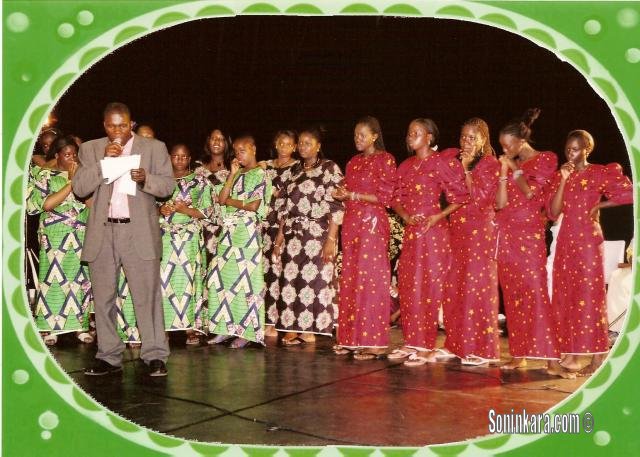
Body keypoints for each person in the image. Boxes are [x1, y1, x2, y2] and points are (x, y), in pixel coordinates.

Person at [72, 102, 174, 377]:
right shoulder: (91, 149)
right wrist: (104, 163)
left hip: (137, 232)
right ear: (104, 125)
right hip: (103, 233)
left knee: (147, 297)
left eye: (122, 124)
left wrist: (146, 179)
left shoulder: (154, 148)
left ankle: (154, 355)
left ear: (131, 122)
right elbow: (79, 187)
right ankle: (108, 356)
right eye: (111, 125)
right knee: (103, 298)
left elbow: (168, 186)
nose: (117, 130)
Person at [548, 129, 633, 376]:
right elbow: (553, 212)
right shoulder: (562, 175)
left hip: (588, 240)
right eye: (567, 149)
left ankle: (599, 357)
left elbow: (629, 192)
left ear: (587, 149)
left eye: (575, 149)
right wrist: (563, 180)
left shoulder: (599, 172)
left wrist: (600, 204)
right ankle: (573, 353)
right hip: (567, 240)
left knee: (590, 296)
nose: (570, 154)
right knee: (568, 295)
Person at [495, 109, 569, 376]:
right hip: (505, 235)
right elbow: (499, 203)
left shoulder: (545, 159)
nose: (504, 149)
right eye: (502, 145)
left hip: (528, 234)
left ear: (521, 141)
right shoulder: (507, 164)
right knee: (512, 295)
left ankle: (551, 359)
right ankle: (519, 354)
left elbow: (533, 195)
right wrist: (504, 172)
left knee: (535, 293)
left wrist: (514, 170)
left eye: (507, 145)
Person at [390, 118, 468, 366]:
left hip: (434, 233)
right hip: (413, 232)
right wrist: (405, 217)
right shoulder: (405, 165)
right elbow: (394, 198)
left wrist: (438, 216)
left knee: (429, 288)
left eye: (416, 132)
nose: (410, 136)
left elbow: (460, 196)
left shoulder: (441, 162)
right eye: (409, 132)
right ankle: (412, 341)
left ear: (430, 138)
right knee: (409, 284)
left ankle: (426, 346)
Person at [272, 127, 344, 345]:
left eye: (308, 143)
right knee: (291, 281)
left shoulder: (329, 168)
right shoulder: (294, 171)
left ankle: (310, 329)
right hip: (293, 236)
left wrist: (331, 240)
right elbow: (285, 208)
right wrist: (279, 240)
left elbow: (337, 206)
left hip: (317, 235)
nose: (303, 146)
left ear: (318, 146)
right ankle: (292, 327)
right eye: (301, 143)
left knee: (314, 281)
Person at [333, 116, 397, 360]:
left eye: (362, 135)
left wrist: (354, 195)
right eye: (355, 135)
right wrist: (341, 194)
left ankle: (375, 342)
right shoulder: (352, 162)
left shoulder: (385, 159)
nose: (357, 139)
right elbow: (347, 191)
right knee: (351, 278)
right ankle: (350, 338)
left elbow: (386, 197)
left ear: (374, 136)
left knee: (371, 281)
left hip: (372, 224)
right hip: (351, 224)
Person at [440, 118, 501, 366]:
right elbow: (448, 195)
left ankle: (483, 350)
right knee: (455, 286)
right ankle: (456, 344)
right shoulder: (455, 162)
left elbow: (480, 199)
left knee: (477, 289)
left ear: (483, 140)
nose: (466, 142)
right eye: (463, 137)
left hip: (479, 232)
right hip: (457, 230)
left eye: (472, 138)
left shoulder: (490, 164)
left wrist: (465, 169)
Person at [26, 135, 93, 345]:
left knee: (79, 280)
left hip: (80, 233)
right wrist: (72, 183)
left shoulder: (84, 175)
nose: (72, 158)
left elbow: (91, 204)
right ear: (57, 156)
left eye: (74, 154)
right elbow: (46, 205)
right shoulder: (45, 175)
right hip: (54, 235)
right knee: (54, 278)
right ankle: (50, 329)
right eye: (67, 154)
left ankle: (79, 327)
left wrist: (81, 182)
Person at [207, 135, 272, 348]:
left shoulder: (261, 173)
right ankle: (224, 328)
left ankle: (247, 333)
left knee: (247, 283)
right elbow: (221, 198)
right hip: (228, 233)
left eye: (242, 150)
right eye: (235, 151)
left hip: (247, 233)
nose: (238, 155)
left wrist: (231, 202)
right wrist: (232, 176)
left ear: (254, 149)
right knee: (224, 280)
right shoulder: (235, 173)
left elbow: (253, 206)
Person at [157, 144, 214, 344]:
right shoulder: (160, 181)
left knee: (189, 281)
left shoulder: (200, 181)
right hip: (165, 236)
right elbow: (147, 207)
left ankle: (191, 326)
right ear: (169, 158)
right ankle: (163, 326)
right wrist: (160, 209)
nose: (179, 160)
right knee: (164, 282)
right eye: (175, 156)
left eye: (184, 156)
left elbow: (208, 212)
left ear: (190, 158)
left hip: (189, 237)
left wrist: (185, 210)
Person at [260, 130, 299, 338]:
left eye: (288, 144)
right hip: (262, 226)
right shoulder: (265, 165)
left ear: (294, 147)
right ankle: (261, 319)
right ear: (275, 144)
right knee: (263, 275)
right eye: (280, 143)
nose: (284, 147)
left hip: (283, 226)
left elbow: (292, 198)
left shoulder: (297, 168)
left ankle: (275, 322)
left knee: (279, 275)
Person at [195, 128, 232, 261]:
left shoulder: (233, 167)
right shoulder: (197, 167)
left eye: (221, 139)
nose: (217, 141)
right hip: (199, 224)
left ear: (227, 143)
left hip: (223, 225)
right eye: (213, 138)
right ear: (208, 141)